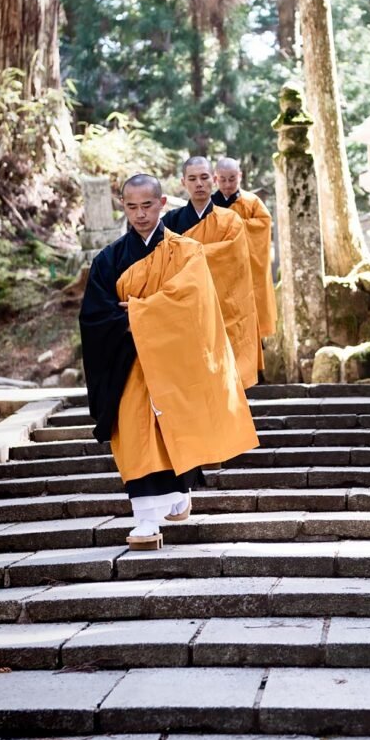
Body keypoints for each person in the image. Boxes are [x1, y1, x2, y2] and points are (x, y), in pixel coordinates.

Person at [79, 173, 258, 550]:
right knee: (134, 436)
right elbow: (95, 316)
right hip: (128, 366)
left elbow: (193, 304)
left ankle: (177, 494)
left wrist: (140, 312)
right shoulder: (109, 260)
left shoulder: (186, 252)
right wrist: (133, 318)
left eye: (147, 205)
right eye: (132, 207)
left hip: (173, 365)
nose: (140, 214)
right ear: (123, 207)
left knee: (172, 430)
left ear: (162, 204)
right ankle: (145, 520)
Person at [163, 156, 261, 388]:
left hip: (223, 304)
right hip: (186, 305)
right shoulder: (170, 221)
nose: (199, 184)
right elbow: (162, 262)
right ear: (183, 182)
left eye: (204, 177)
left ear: (213, 180)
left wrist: (186, 253)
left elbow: (232, 259)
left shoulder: (230, 221)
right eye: (193, 178)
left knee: (226, 379)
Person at [212, 156, 278, 339]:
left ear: (239, 176)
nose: (227, 184)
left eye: (232, 179)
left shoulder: (252, 202)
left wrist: (234, 225)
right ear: (215, 179)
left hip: (247, 268)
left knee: (250, 325)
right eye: (222, 179)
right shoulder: (209, 205)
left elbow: (263, 225)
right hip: (221, 270)